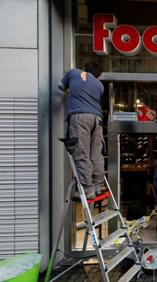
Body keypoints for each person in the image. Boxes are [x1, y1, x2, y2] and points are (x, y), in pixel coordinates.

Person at [58, 62, 105, 200]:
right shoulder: (100, 85)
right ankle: (98, 186)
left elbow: (61, 86)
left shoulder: (73, 72)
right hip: (97, 119)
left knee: (81, 152)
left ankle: (87, 189)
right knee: (96, 153)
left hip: (80, 117)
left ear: (84, 68)